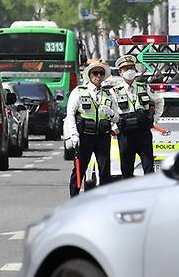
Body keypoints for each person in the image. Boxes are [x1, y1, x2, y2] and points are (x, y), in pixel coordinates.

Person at [63, 61, 120, 197]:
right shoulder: (79, 91)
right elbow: (70, 113)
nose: (98, 76)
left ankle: (104, 200)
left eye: (101, 73)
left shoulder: (108, 94)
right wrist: (74, 134)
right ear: (89, 75)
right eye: (95, 73)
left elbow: (117, 117)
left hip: (102, 136)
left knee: (105, 170)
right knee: (79, 169)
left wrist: (111, 114)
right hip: (84, 136)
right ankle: (74, 198)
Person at [111, 54, 164, 178]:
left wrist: (155, 118)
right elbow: (110, 111)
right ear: (120, 72)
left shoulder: (144, 87)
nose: (129, 71)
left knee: (148, 168)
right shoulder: (114, 91)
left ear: (135, 70)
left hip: (143, 133)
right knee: (127, 169)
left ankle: (149, 195)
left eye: (131, 68)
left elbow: (159, 101)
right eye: (125, 68)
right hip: (125, 134)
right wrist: (114, 126)